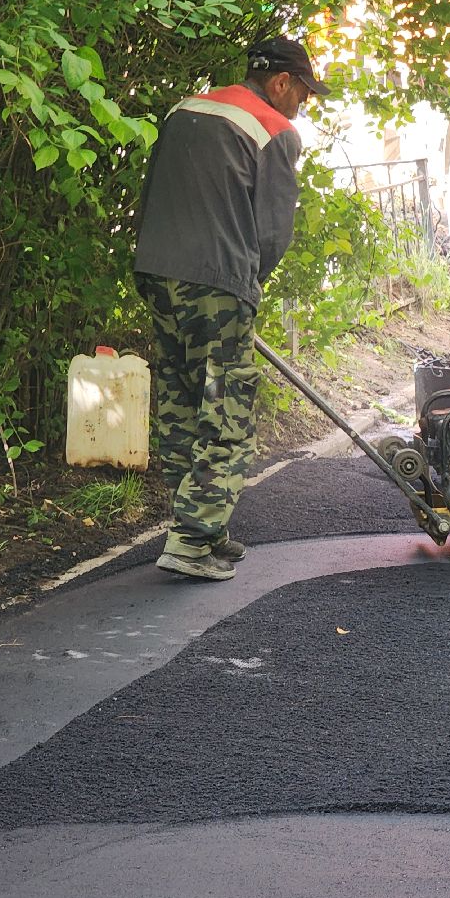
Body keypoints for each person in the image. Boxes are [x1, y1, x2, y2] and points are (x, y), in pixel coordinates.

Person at [132, 36, 329, 580]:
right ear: (281, 82)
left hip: (156, 269)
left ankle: (202, 529)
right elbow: (271, 232)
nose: (303, 105)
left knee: (180, 403)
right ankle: (193, 543)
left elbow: (151, 194)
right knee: (227, 415)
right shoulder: (273, 128)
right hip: (218, 284)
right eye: (304, 92)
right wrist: (247, 285)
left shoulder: (186, 108)